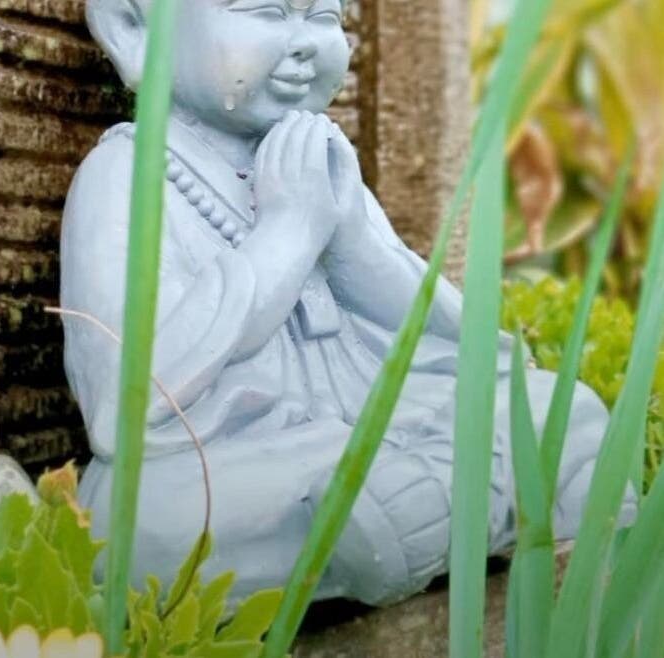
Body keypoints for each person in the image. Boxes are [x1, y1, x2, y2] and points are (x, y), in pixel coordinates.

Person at [59, 0, 629, 605]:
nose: (305, 43)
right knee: (148, 522)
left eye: (324, 18)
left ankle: (412, 509)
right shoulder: (125, 177)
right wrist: (290, 233)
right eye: (269, 13)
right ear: (136, 30)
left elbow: (443, 339)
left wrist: (355, 241)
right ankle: (433, 502)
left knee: (562, 413)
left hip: (371, 416)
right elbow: (127, 394)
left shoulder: (321, 159)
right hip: (249, 456)